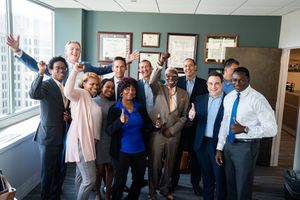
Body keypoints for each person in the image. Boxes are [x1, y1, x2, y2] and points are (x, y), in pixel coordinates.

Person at [215, 67, 277, 200]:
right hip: (229, 146)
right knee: (230, 185)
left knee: (243, 187)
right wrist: (220, 148)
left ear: (248, 80)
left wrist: (245, 129)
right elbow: (224, 124)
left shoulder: (258, 99)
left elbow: (272, 129)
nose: (237, 84)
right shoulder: (229, 97)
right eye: (234, 80)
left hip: (246, 148)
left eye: (241, 81)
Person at [106, 77, 160, 200]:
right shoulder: (114, 109)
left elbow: (147, 124)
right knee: (120, 182)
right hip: (121, 152)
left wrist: (156, 126)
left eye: (133, 89)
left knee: (139, 180)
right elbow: (109, 131)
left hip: (139, 151)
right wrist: (120, 122)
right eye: (127, 89)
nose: (131, 91)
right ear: (121, 91)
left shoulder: (139, 107)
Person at [6, 35, 139, 84]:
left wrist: (124, 61)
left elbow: (102, 70)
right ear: (66, 52)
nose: (75, 51)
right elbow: (36, 66)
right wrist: (18, 51)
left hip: (82, 101)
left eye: (77, 49)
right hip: (63, 103)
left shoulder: (85, 65)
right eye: (72, 49)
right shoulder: (58, 66)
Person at [148, 54, 189, 200]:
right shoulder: (158, 87)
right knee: (155, 164)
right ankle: (152, 192)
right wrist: (160, 63)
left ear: (178, 78)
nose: (171, 79)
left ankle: (165, 189)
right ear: (164, 76)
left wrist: (172, 130)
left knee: (170, 164)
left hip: (174, 135)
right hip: (158, 133)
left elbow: (185, 116)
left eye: (174, 76)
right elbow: (152, 80)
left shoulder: (184, 94)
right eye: (168, 76)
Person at [29, 56, 70, 200]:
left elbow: (65, 108)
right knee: (48, 172)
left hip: (63, 134)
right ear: (50, 70)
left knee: (60, 171)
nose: (61, 71)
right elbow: (34, 94)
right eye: (58, 68)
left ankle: (56, 196)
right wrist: (40, 73)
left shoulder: (66, 86)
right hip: (49, 136)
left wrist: (68, 116)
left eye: (64, 68)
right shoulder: (46, 85)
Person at [64, 65, 102, 200]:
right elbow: (67, 91)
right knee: (90, 180)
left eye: (97, 85)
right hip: (81, 141)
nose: (95, 87)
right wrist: (75, 71)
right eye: (91, 84)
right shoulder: (81, 94)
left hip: (89, 142)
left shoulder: (89, 99)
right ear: (84, 84)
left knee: (80, 176)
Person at [171, 58, 208, 195]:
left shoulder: (203, 84)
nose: (188, 68)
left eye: (190, 66)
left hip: (196, 126)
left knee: (195, 156)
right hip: (179, 126)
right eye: (185, 66)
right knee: (176, 155)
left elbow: (205, 105)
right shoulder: (177, 81)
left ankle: (195, 183)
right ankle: (173, 182)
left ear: (195, 67)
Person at [189, 72, 226, 200]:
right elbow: (193, 121)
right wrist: (191, 117)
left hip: (218, 145)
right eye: (210, 83)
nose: (213, 86)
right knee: (206, 176)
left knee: (220, 177)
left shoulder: (228, 100)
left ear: (222, 84)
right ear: (207, 84)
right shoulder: (200, 99)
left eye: (216, 83)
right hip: (201, 144)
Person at [93, 79, 115, 200]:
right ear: (101, 87)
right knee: (99, 170)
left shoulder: (114, 104)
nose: (110, 90)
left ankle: (107, 195)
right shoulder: (92, 102)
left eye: (112, 88)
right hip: (98, 140)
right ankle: (97, 193)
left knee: (110, 169)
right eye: (107, 87)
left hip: (111, 140)